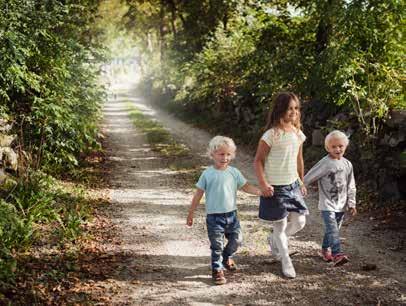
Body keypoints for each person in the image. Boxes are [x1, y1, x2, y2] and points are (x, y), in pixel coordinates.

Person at [187, 136, 262, 285]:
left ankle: (226, 257)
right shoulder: (207, 174)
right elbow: (198, 195)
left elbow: (245, 186)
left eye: (228, 154)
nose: (225, 158)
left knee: (237, 240)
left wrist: (260, 192)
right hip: (214, 218)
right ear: (212, 154)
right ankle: (217, 270)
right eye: (221, 154)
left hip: (232, 216)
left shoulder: (234, 172)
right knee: (217, 246)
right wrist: (191, 213)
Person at [254, 91, 308, 279]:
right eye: (289, 108)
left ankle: (274, 240)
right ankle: (285, 260)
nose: (294, 112)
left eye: (296, 108)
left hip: (292, 185)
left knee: (300, 222)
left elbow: (299, 159)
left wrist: (301, 181)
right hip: (275, 188)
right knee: (280, 225)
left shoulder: (297, 133)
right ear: (280, 110)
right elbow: (258, 161)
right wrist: (263, 184)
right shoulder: (271, 135)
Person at [304, 130, 356, 266]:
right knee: (332, 228)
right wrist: (299, 187)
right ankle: (337, 253)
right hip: (327, 204)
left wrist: (352, 203)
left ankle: (325, 248)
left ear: (345, 146)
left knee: (333, 229)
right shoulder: (325, 163)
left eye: (340, 146)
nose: (337, 149)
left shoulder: (348, 164)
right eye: (333, 147)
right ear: (327, 148)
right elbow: (310, 176)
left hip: (342, 204)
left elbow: (351, 185)